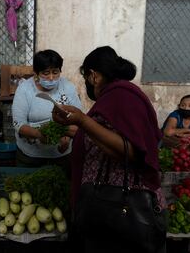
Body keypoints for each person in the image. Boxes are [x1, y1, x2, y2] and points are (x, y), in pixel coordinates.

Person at [52, 46, 166, 253]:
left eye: (86, 77)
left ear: (93, 76)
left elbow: (131, 151)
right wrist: (80, 130)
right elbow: (110, 136)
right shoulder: (117, 95)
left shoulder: (121, 96)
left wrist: (83, 121)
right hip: (109, 205)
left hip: (120, 206)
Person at [12, 49, 82, 168]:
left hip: (62, 156)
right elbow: (18, 124)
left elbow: (79, 121)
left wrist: (67, 137)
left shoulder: (68, 87)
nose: (51, 78)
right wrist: (38, 134)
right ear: (36, 73)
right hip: (31, 157)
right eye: (45, 73)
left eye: (55, 72)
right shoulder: (25, 89)